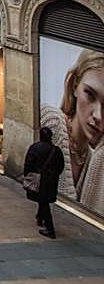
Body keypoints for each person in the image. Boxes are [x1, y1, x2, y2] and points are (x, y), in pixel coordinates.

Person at [39, 49, 104, 212]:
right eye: (90, 94)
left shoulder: (94, 160)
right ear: (75, 85)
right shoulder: (51, 121)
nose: (98, 115)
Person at [24, 125, 67, 238]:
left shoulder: (35, 147)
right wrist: (54, 174)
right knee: (43, 200)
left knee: (43, 202)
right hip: (51, 180)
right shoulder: (56, 150)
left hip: (40, 179)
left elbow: (28, 164)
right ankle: (40, 217)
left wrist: (27, 175)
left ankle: (50, 229)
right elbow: (61, 166)